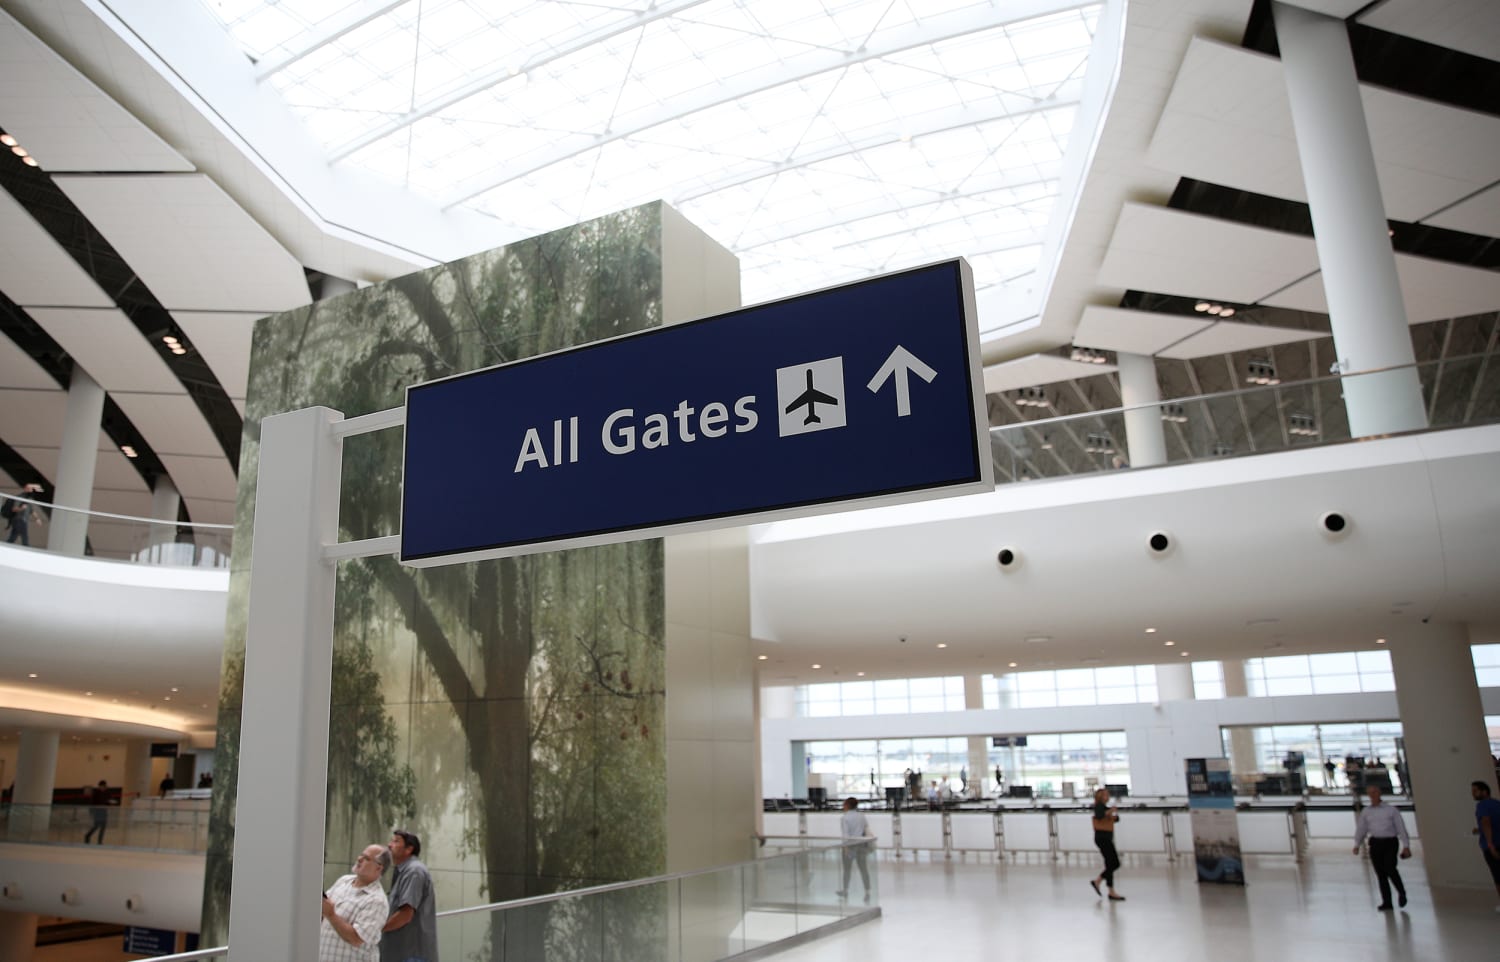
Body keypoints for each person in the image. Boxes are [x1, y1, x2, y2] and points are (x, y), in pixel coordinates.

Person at [320, 844, 391, 962]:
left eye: (366, 858)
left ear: (379, 868)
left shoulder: (376, 901)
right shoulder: (344, 881)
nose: (359, 859)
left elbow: (356, 939)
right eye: (361, 855)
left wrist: (331, 915)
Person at [383, 830, 438, 962]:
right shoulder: (404, 871)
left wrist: (377, 929)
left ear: (409, 849)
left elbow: (405, 914)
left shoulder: (413, 871)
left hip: (411, 954)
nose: (389, 845)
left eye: (396, 841)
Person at [1353, 784, 1410, 910]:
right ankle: (1387, 901)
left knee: (1390, 868)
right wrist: (1357, 843)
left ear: (1379, 793)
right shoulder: (1366, 812)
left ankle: (1401, 892)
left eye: (1374, 792)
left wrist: (1406, 845)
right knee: (1381, 874)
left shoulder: (1391, 810)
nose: (1372, 795)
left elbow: (1401, 828)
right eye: (1370, 793)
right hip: (1375, 843)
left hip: (1390, 842)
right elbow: (1362, 829)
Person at [834, 797, 873, 901]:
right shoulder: (861, 816)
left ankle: (845, 890)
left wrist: (846, 847)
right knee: (863, 869)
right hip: (861, 845)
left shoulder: (845, 818)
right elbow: (866, 828)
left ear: (847, 805)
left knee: (847, 870)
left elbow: (846, 834)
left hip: (850, 846)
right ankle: (867, 890)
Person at [1089, 787, 1124, 901]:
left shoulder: (1105, 808)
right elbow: (1099, 815)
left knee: (1110, 864)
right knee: (1115, 863)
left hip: (1106, 838)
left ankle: (1111, 891)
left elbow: (1116, 819)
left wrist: (1113, 814)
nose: (1108, 797)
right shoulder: (1099, 806)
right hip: (1103, 838)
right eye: (1105, 795)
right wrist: (1110, 811)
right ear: (1100, 797)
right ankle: (1098, 881)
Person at [1472, 781, 1500, 913]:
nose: (1473, 794)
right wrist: (1479, 830)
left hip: (1492, 845)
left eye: (1476, 791)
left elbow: (1486, 822)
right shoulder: (1497, 804)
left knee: (1497, 875)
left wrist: (1490, 844)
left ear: (1484, 791)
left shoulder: (1482, 806)